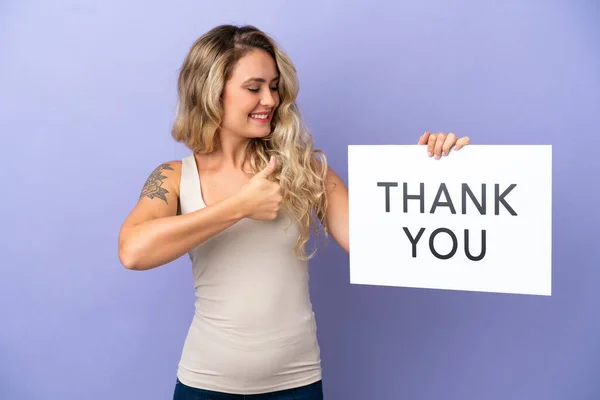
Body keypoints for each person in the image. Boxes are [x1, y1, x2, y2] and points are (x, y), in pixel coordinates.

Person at [118, 24, 470, 400]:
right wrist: (240, 206)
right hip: (205, 385)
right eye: (254, 88)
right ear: (210, 92)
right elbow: (133, 251)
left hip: (296, 386)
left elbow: (377, 248)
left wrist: (434, 172)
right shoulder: (173, 176)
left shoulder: (306, 170)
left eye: (274, 86)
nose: (269, 99)